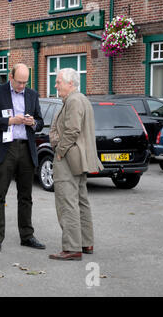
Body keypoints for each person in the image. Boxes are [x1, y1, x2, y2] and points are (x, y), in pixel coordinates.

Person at [0, 63, 45, 252]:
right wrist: (10, 121)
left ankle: (27, 236)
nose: (21, 86)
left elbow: (41, 123)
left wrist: (33, 122)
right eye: (19, 82)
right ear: (11, 77)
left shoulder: (32, 95)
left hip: (25, 148)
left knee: (26, 196)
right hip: (4, 149)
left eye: (25, 83)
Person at [48, 68, 104, 261]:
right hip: (79, 158)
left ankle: (72, 248)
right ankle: (86, 242)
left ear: (70, 83)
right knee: (81, 201)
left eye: (58, 82)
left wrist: (60, 151)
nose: (56, 85)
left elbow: (72, 131)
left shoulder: (73, 100)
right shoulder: (81, 99)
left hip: (69, 158)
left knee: (67, 203)